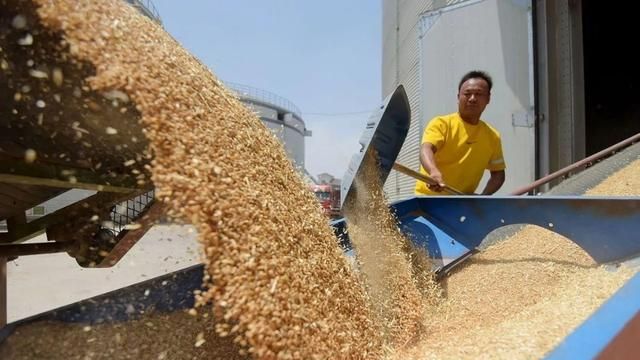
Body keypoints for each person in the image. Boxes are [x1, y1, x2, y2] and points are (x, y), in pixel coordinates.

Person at [414, 70, 506, 195]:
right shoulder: (441, 124)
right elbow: (426, 149)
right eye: (467, 94)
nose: (472, 99)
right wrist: (433, 172)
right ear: (458, 97)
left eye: (478, 94)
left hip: (462, 204)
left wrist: (483, 198)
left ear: (488, 98)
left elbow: (498, 174)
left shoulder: (492, 136)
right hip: (428, 201)